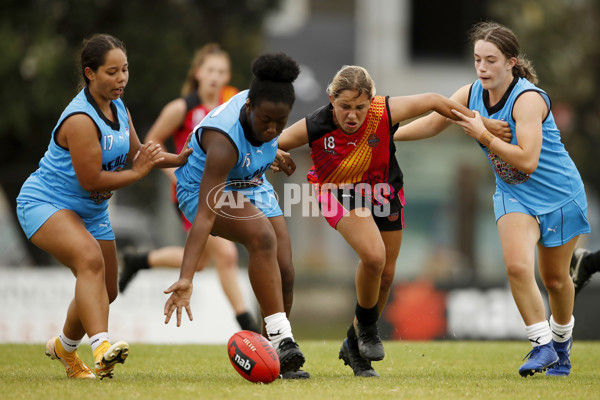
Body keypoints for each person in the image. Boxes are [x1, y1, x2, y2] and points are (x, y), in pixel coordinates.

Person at [275, 65, 509, 378]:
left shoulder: (384, 111)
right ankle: (369, 329)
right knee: (373, 256)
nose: (353, 115)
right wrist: (278, 154)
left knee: (385, 274)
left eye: (360, 107)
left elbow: (433, 100)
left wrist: (484, 123)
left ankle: (354, 347)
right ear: (331, 99)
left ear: (371, 101)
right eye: (344, 106)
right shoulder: (316, 124)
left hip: (384, 190)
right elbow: (273, 142)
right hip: (337, 191)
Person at [394, 21, 589, 377]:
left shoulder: (528, 99)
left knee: (557, 281)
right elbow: (434, 123)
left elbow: (527, 160)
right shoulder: (470, 94)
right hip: (514, 194)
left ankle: (562, 344)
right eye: (477, 60)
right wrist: (390, 137)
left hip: (560, 195)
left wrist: (483, 134)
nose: (482, 68)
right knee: (516, 267)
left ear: (511, 62)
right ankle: (542, 345)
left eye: (491, 60)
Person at [15, 34, 192, 380]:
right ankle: (100, 349)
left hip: (91, 212)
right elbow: (91, 180)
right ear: (90, 73)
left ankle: (65, 348)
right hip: (45, 202)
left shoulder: (119, 106)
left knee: (107, 290)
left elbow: (138, 154)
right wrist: (137, 173)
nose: (121, 78)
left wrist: (180, 158)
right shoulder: (80, 119)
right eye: (112, 72)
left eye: (125, 70)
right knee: (89, 258)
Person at [163, 52, 308, 379]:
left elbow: (261, 138)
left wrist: (273, 150)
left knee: (285, 269)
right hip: (201, 190)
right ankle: (283, 341)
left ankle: (276, 356)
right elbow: (204, 215)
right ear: (248, 108)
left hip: (250, 182)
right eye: (266, 121)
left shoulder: (264, 105)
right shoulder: (223, 140)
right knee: (262, 236)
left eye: (280, 123)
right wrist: (187, 277)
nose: (272, 129)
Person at [118, 43, 259, 333]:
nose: (215, 77)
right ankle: (249, 327)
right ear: (198, 73)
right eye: (210, 70)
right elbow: (151, 145)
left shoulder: (233, 100)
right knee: (227, 255)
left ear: (228, 75)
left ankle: (138, 260)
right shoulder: (182, 107)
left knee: (200, 262)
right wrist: (176, 175)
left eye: (221, 71)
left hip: (222, 192)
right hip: (192, 195)